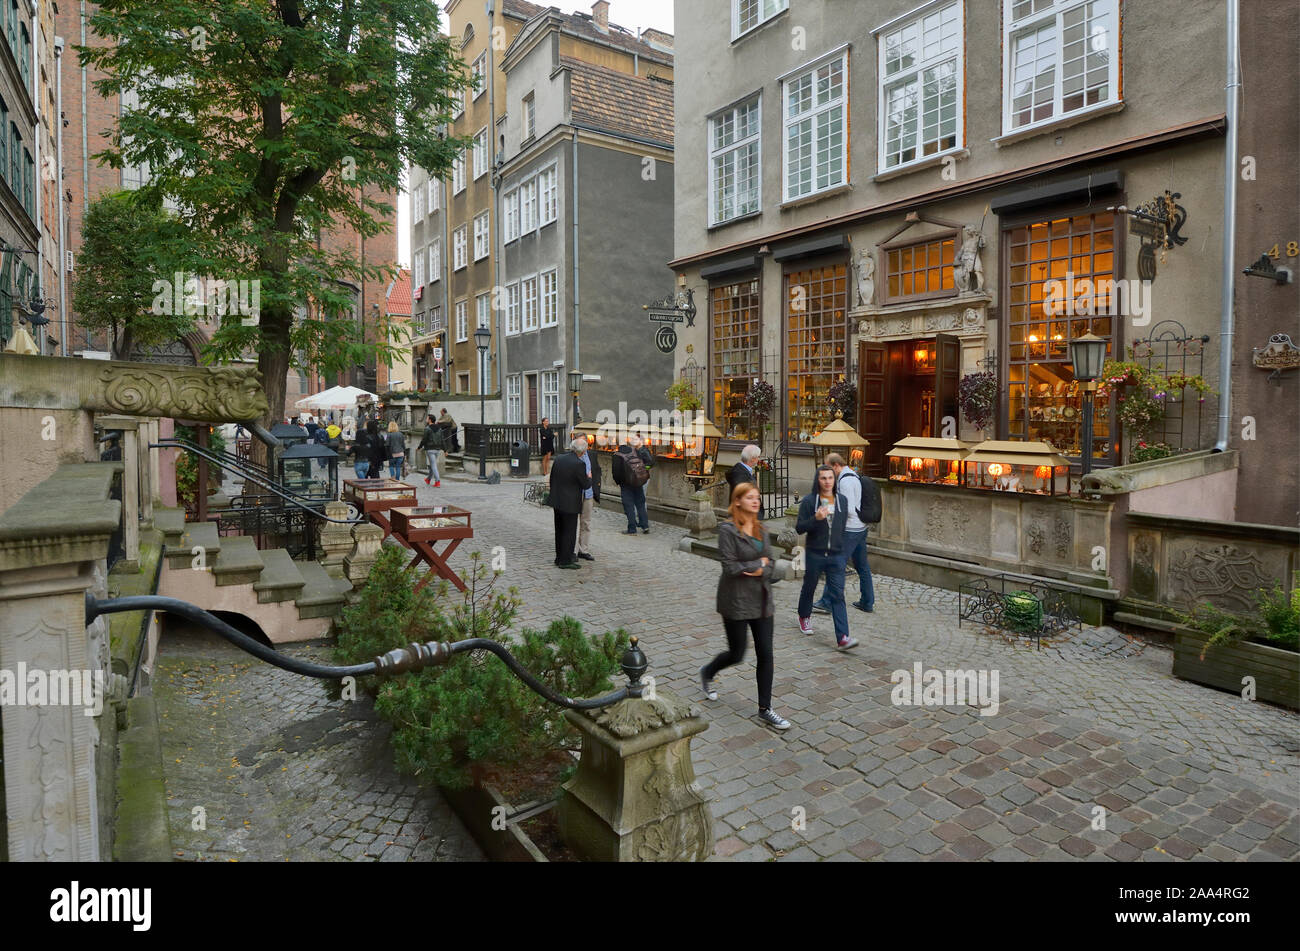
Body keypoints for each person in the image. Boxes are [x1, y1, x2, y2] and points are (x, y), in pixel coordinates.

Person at [701, 483, 790, 731]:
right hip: (736, 601)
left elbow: (771, 562)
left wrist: (761, 567)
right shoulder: (728, 530)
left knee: (766, 654)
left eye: (758, 497)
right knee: (737, 653)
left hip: (762, 600)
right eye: (750, 497)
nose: (756, 501)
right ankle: (708, 671)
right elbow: (729, 566)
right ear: (737, 500)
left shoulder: (762, 528)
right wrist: (756, 566)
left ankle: (765, 709)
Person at [795, 465, 858, 651]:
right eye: (823, 478)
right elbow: (800, 528)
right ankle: (804, 616)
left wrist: (842, 549)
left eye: (830, 478)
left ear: (834, 480)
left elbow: (842, 526)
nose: (827, 481)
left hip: (836, 556)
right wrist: (816, 518)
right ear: (818, 480)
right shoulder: (809, 501)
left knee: (837, 595)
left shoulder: (842, 501)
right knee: (809, 587)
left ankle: (843, 637)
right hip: (815, 553)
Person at [811, 453, 876, 615]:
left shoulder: (846, 481)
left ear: (835, 466)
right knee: (862, 566)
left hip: (851, 530)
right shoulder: (851, 475)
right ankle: (867, 602)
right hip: (860, 528)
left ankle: (826, 603)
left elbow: (846, 508)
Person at [548, 437, 592, 569]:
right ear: (583, 452)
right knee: (569, 532)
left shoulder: (559, 458)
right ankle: (566, 560)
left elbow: (552, 478)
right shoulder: (579, 464)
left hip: (557, 500)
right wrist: (589, 477)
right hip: (570, 503)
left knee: (559, 530)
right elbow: (585, 484)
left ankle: (559, 557)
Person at [612, 433, 653, 535]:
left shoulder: (617, 455)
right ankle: (645, 525)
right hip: (638, 481)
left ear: (617, 442)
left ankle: (632, 529)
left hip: (626, 484)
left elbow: (615, 473)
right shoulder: (634, 451)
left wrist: (619, 482)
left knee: (629, 505)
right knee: (640, 504)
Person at [574, 436, 602, 561]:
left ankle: (583, 549)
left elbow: (597, 471)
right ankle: (572, 550)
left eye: (584, 442)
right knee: (572, 523)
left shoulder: (592, 455)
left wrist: (596, 488)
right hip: (575, 493)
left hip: (588, 493)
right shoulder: (571, 456)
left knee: (586, 523)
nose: (582, 446)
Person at [727, 445, 764, 519]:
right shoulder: (740, 474)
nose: (759, 459)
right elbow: (742, 498)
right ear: (753, 459)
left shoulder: (743, 471)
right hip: (743, 517)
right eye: (758, 457)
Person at [417, 414, 445, 487]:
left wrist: (419, 447)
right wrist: (445, 450)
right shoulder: (439, 428)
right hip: (437, 449)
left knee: (433, 465)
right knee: (433, 464)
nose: (426, 419)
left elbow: (424, 440)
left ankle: (437, 481)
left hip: (430, 449)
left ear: (430, 420)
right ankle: (428, 479)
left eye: (427, 418)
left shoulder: (427, 429)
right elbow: (442, 440)